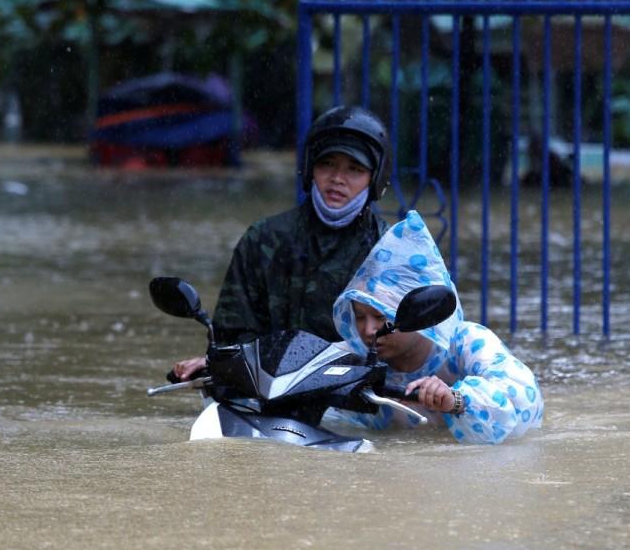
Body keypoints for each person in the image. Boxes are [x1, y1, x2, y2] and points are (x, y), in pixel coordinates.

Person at [173, 105, 391, 380]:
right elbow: (231, 334)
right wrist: (217, 362)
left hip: (352, 392)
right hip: (266, 389)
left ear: (374, 179)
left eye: (354, 169)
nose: (337, 179)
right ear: (310, 169)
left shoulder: (388, 249)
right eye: (327, 164)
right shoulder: (263, 239)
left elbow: (406, 346)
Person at [327, 210, 544, 444]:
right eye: (360, 316)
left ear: (417, 311)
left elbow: (524, 401)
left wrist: (457, 400)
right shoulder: (349, 360)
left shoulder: (467, 342)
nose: (368, 330)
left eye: (380, 317)